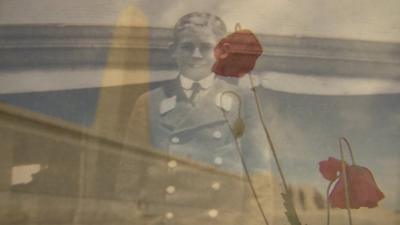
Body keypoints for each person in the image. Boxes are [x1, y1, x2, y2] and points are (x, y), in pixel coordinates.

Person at [116, 12, 269, 225]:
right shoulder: (149, 102)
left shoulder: (242, 101)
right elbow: (128, 181)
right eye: (187, 47)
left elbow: (260, 177)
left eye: (205, 47)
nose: (196, 55)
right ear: (173, 51)